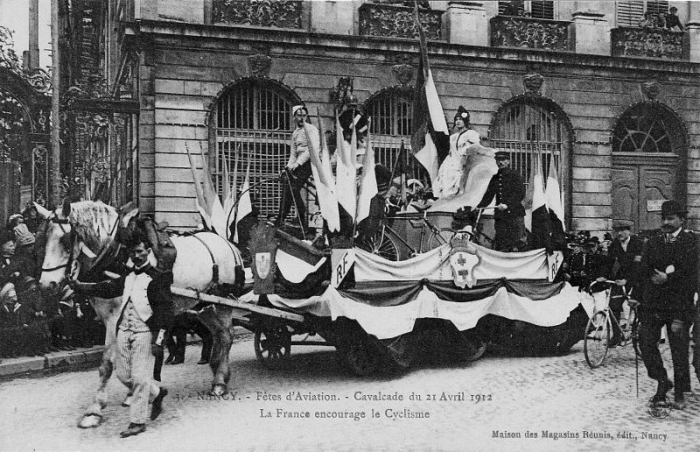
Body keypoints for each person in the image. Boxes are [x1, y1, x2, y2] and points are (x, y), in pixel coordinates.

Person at [71, 233, 173, 437]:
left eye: (140, 252)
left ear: (148, 252)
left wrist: (159, 340)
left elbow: (166, 312)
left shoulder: (158, 278)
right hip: (124, 331)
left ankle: (137, 421)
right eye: (133, 253)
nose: (136, 256)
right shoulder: (127, 278)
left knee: (139, 377)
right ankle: (156, 392)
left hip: (144, 332)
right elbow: (106, 289)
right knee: (122, 374)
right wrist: (80, 286)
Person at [635, 200, 697, 409]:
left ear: (681, 219)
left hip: (679, 304)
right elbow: (643, 270)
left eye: (671, 218)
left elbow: (694, 275)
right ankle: (662, 381)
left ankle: (679, 391)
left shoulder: (693, 243)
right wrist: (638, 296)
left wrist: (668, 279)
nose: (666, 222)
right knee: (645, 343)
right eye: (664, 218)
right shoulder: (652, 242)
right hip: (654, 304)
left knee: (678, 349)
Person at [276, 104, 318, 232]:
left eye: (304, 116)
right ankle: (281, 217)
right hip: (300, 163)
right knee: (287, 184)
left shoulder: (312, 130)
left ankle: (301, 217)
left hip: (311, 162)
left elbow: (311, 150)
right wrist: (288, 168)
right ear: (294, 117)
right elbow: (293, 154)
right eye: (299, 116)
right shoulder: (295, 134)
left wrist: (297, 165)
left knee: (293, 187)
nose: (302, 118)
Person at [476, 151, 526, 251]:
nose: (501, 162)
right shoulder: (495, 178)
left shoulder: (515, 175)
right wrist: (479, 207)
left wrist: (507, 205)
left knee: (517, 243)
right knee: (502, 242)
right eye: (498, 160)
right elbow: (488, 196)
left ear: (508, 161)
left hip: (514, 214)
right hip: (501, 216)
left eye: (503, 160)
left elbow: (520, 194)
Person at [605, 220, 644, 346]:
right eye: (617, 231)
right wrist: (603, 276)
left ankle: (641, 335)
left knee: (640, 306)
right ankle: (617, 335)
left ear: (629, 231)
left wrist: (627, 280)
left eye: (622, 230)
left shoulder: (638, 244)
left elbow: (638, 267)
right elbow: (609, 264)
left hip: (637, 279)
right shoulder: (614, 245)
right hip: (621, 281)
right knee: (613, 305)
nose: (619, 233)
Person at [433, 107, 476, 199]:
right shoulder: (453, 137)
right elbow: (451, 152)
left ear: (465, 121)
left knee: (459, 182)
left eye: (460, 119)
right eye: (456, 120)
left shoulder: (471, 134)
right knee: (445, 180)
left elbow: (473, 149)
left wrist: (465, 161)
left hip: (463, 162)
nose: (458, 122)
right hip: (452, 162)